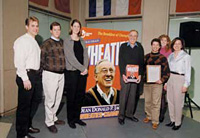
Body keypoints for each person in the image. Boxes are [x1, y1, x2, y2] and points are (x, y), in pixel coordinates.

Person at [13, 16, 42, 138]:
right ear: (26, 27)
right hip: (26, 75)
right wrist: (25, 78)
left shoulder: (34, 41)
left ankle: (27, 126)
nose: (35, 28)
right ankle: (21, 134)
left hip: (35, 75)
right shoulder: (21, 41)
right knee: (24, 106)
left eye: (36, 26)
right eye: (32, 26)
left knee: (34, 102)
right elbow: (19, 62)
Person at [40, 22, 65, 133]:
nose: (57, 32)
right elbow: (41, 59)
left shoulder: (62, 42)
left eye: (58, 29)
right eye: (55, 30)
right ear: (51, 30)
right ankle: (49, 122)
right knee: (50, 99)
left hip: (61, 74)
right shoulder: (46, 43)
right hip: (50, 74)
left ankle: (54, 118)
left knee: (58, 98)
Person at [64, 19, 88, 129]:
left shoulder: (82, 41)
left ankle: (77, 118)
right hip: (72, 73)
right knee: (71, 97)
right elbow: (70, 58)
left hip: (82, 74)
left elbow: (86, 56)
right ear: (71, 27)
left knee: (80, 96)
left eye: (78, 26)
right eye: (75, 26)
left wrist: (85, 69)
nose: (76, 28)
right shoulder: (67, 41)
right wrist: (82, 68)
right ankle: (71, 119)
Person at [143, 38, 170, 130]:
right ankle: (149, 116)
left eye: (157, 45)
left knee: (156, 102)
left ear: (159, 47)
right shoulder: (146, 57)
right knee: (147, 101)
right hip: (147, 83)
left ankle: (155, 121)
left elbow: (167, 72)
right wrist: (143, 78)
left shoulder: (163, 58)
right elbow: (142, 70)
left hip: (157, 83)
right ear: (151, 45)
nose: (155, 47)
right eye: (153, 45)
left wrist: (162, 80)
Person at [118, 30, 144, 125]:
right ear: (128, 36)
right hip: (125, 74)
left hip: (136, 75)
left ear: (137, 37)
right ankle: (121, 116)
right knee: (124, 95)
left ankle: (129, 114)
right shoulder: (123, 46)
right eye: (131, 35)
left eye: (135, 36)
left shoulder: (140, 47)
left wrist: (140, 74)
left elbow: (141, 62)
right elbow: (120, 61)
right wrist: (122, 74)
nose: (133, 37)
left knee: (133, 95)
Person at [165, 37, 191, 130]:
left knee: (178, 101)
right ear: (172, 45)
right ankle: (172, 120)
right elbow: (167, 70)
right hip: (170, 78)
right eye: (175, 43)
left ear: (182, 45)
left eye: (179, 44)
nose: (177, 45)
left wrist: (186, 84)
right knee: (170, 100)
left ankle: (178, 122)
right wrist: (166, 83)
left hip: (180, 78)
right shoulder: (170, 55)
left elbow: (188, 71)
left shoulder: (186, 56)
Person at [158, 34, 172, 122]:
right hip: (156, 75)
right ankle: (156, 113)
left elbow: (170, 66)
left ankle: (161, 115)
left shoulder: (170, 51)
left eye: (165, 40)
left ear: (167, 42)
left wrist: (166, 81)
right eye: (162, 40)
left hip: (165, 76)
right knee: (157, 95)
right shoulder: (157, 49)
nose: (163, 42)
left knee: (162, 95)